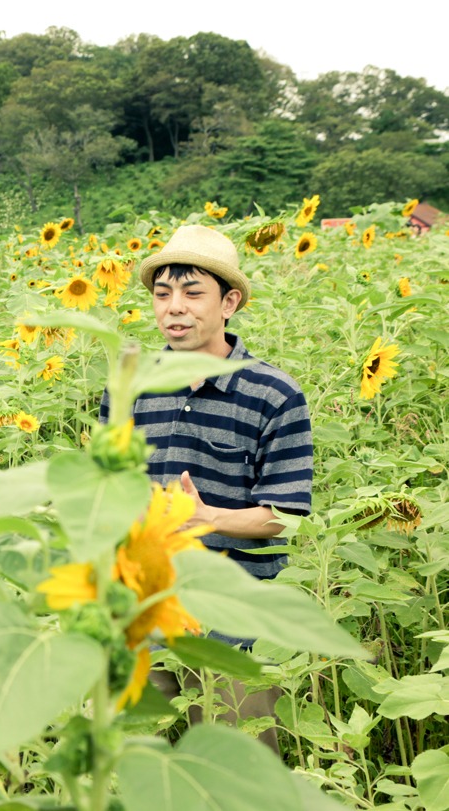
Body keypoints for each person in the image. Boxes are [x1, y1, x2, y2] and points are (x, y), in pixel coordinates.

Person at [103, 224, 314, 751]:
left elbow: (285, 513)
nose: (175, 307)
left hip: (232, 610)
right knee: (129, 756)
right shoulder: (130, 387)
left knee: (236, 765)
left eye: (193, 293)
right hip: (142, 602)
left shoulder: (274, 394)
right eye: (162, 293)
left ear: (230, 302)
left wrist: (211, 518)